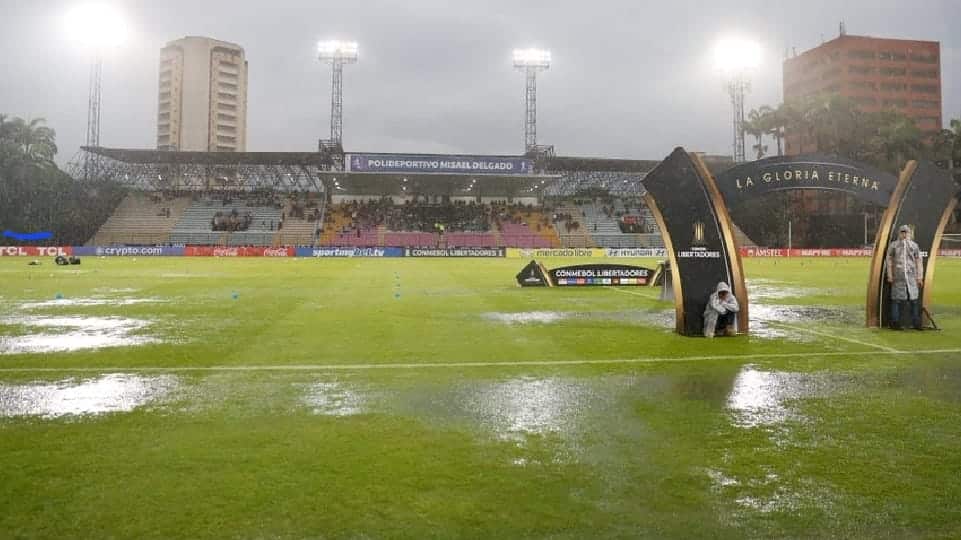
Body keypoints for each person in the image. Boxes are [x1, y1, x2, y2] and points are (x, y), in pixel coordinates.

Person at [886, 224, 924, 330]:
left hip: (911, 277)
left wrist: (919, 277)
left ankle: (916, 322)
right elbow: (889, 261)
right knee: (896, 300)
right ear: (899, 233)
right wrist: (890, 275)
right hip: (898, 277)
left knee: (914, 300)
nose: (904, 234)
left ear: (909, 233)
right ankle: (895, 322)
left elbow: (919, 262)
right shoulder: (893, 246)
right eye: (902, 232)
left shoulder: (914, 246)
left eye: (906, 232)